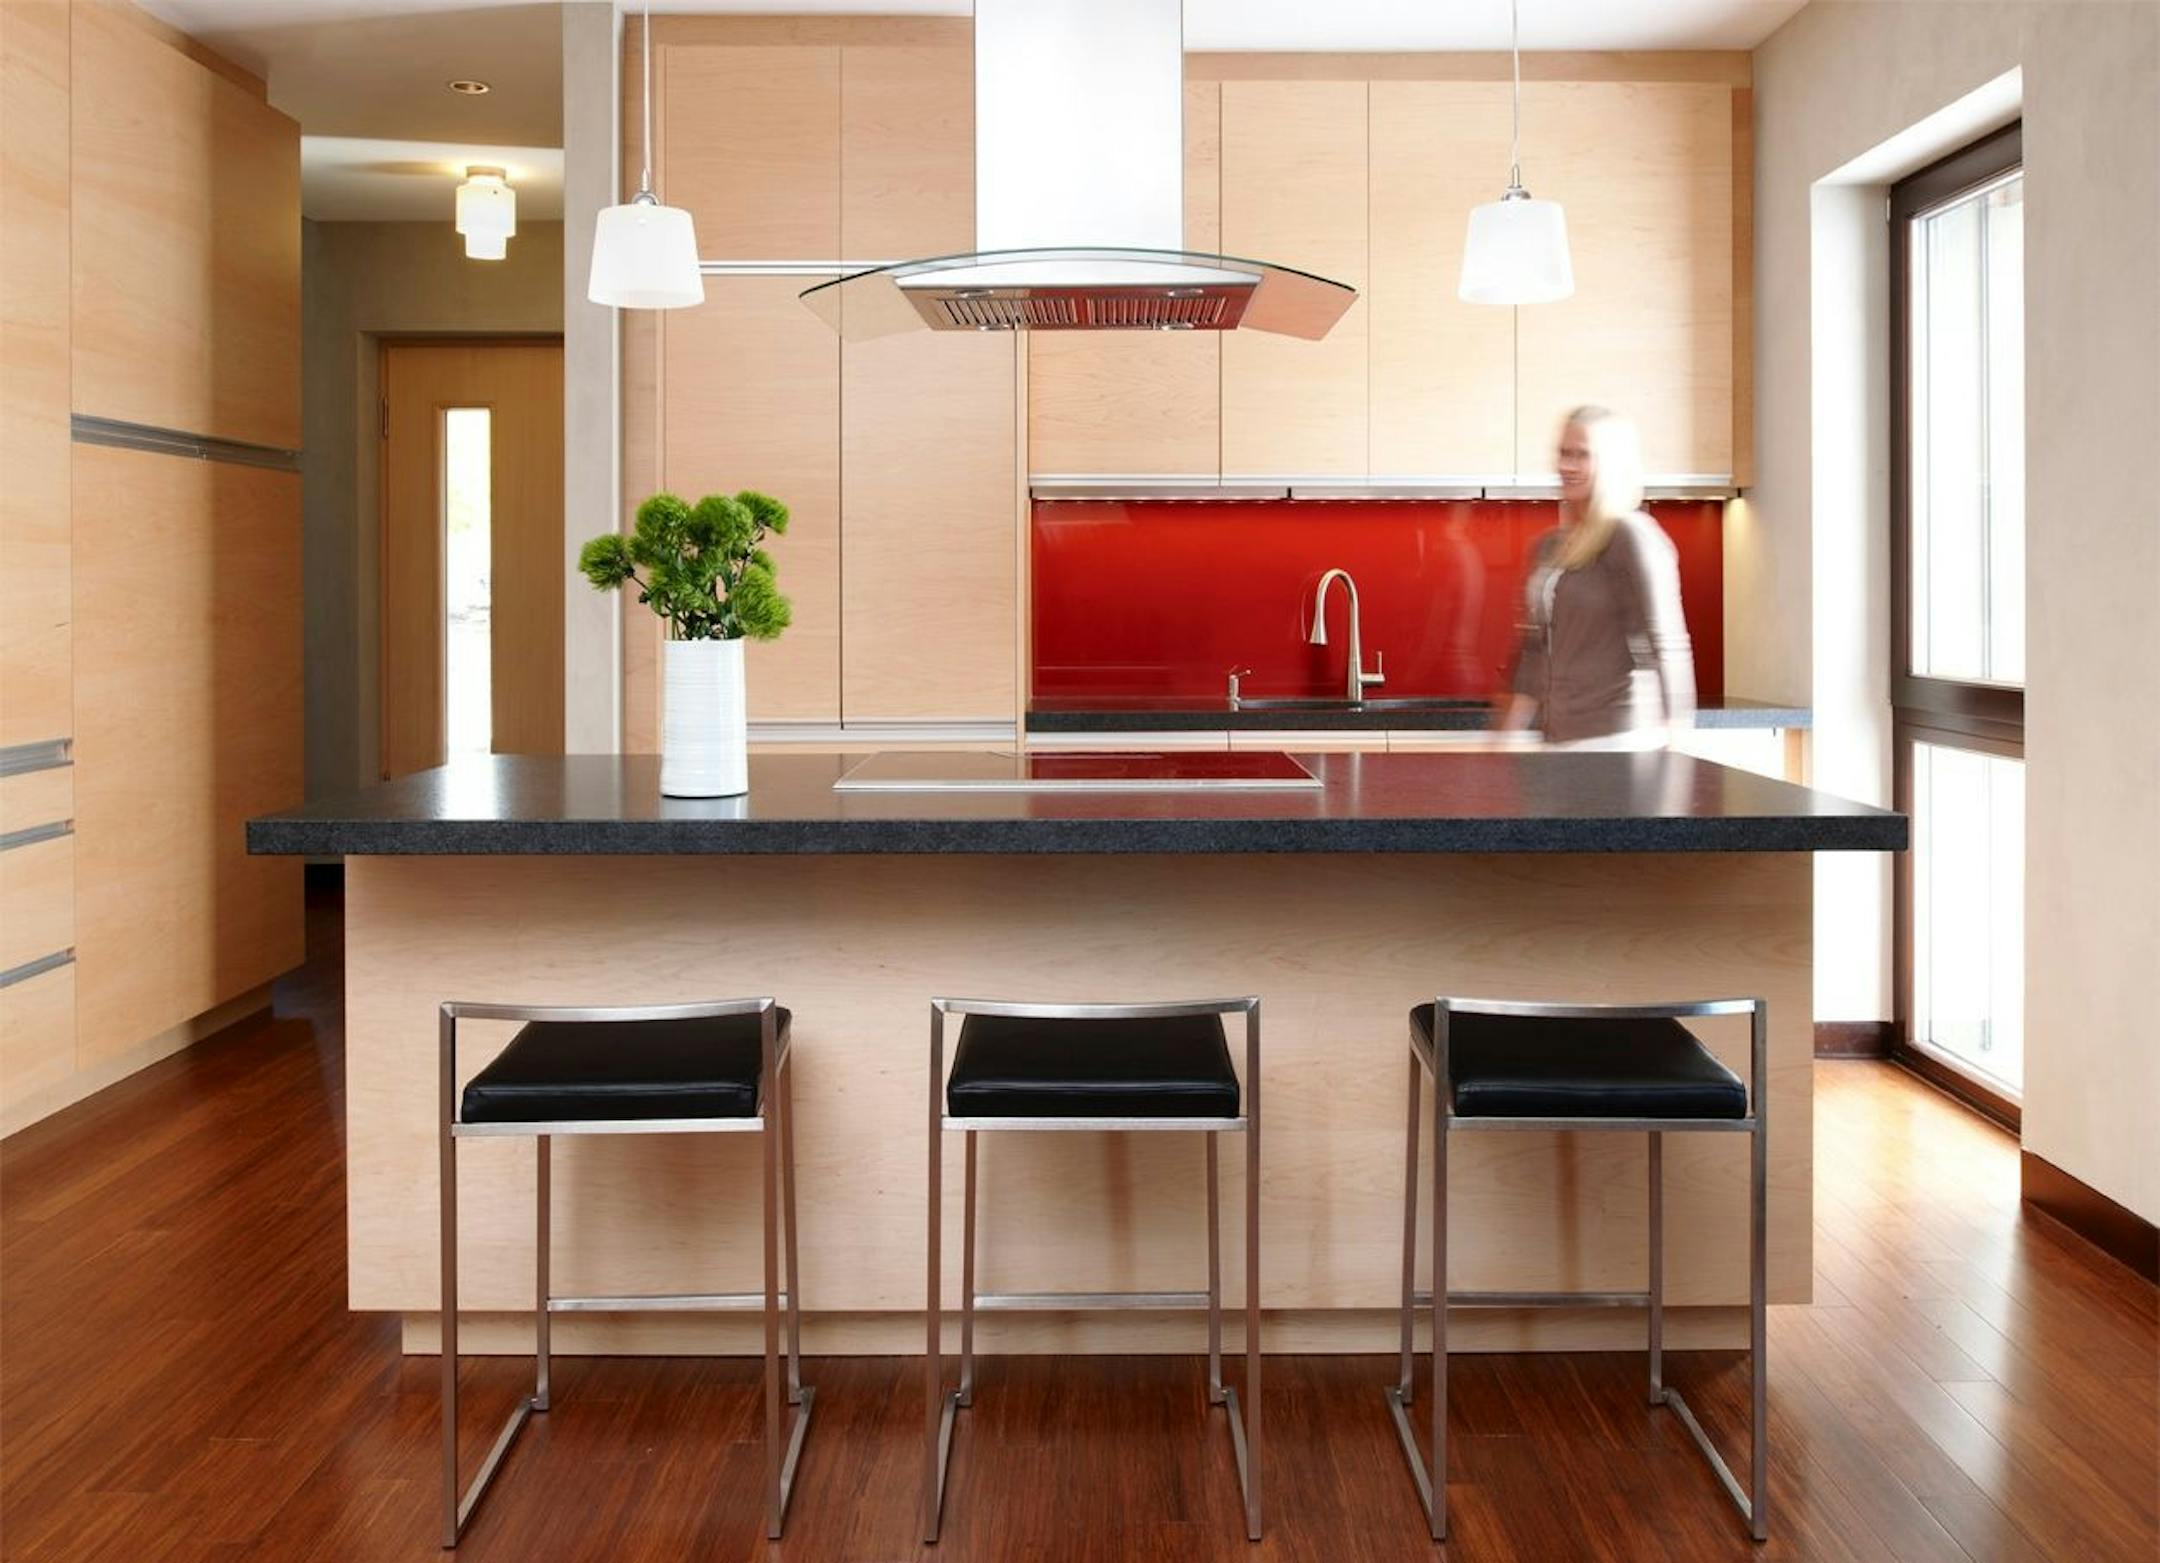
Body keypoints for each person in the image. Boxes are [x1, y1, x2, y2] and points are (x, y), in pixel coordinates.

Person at [1498, 406, 1696, 748]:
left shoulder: (1630, 536)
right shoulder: (1550, 546)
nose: (1566, 466)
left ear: (1611, 463)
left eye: (1581, 455)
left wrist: (1679, 745)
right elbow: (1533, 649)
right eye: (1563, 453)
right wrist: (1507, 732)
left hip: (1617, 740)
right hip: (1560, 740)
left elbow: (1667, 643)